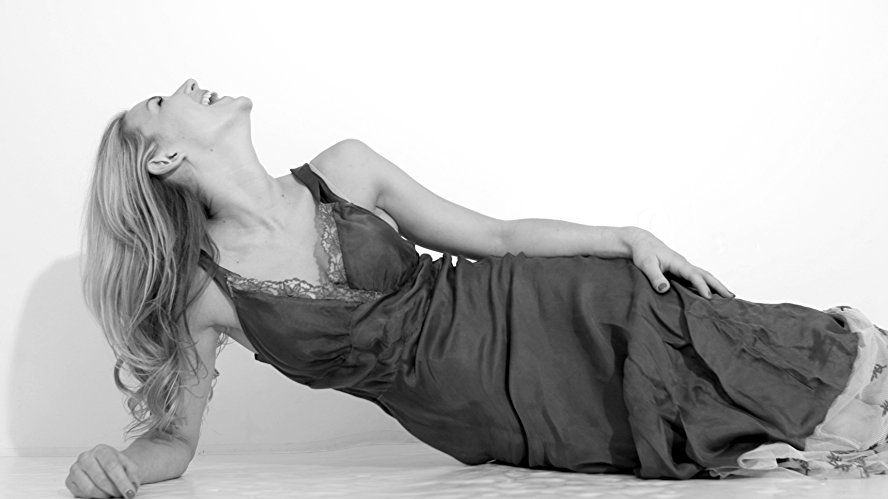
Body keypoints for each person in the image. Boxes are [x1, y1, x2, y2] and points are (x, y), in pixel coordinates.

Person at [66, 78, 887, 498]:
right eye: (161, 99)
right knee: (683, 430)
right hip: (500, 411)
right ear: (163, 157)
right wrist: (118, 463)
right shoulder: (206, 296)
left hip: (552, 307)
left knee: (738, 348)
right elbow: (175, 441)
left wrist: (626, 235)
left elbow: (495, 237)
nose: (190, 82)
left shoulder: (345, 169)